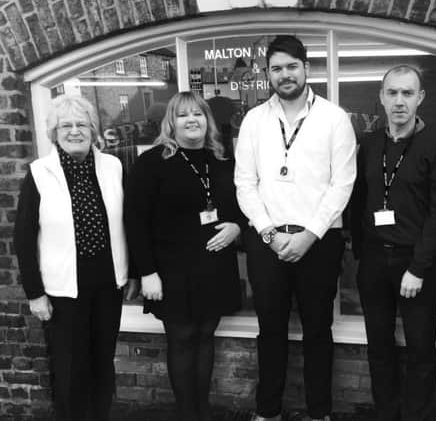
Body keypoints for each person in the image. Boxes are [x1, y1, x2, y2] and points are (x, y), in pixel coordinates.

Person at [234, 35, 356, 421]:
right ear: (267, 74)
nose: (284, 75)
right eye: (276, 68)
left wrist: (309, 235)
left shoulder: (334, 118)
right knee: (270, 330)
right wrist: (269, 233)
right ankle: (267, 412)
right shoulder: (254, 120)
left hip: (318, 241)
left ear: (307, 68)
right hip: (267, 241)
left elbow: (343, 184)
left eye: (291, 66)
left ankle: (319, 412)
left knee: (318, 330)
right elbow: (244, 183)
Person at [14, 94, 138, 421]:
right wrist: (35, 294)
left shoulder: (113, 167)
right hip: (63, 290)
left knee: (101, 363)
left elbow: (128, 222)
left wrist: (133, 273)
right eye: (65, 125)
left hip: (107, 284)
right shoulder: (39, 173)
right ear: (54, 132)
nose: (74, 131)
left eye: (81, 124)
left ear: (93, 129)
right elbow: (24, 238)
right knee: (71, 368)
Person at [125, 91, 244, 421]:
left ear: (208, 121)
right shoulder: (153, 162)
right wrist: (146, 271)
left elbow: (243, 206)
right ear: (171, 123)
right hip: (171, 269)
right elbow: (135, 220)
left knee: (206, 336)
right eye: (183, 115)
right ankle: (187, 413)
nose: (192, 120)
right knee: (181, 338)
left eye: (199, 114)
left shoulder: (222, 160)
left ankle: (202, 410)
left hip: (214, 266)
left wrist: (237, 227)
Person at [352, 65, 436, 421]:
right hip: (374, 262)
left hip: (417, 264)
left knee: (420, 350)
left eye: (407, 93)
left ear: (420, 98)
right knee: (378, 347)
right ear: (381, 97)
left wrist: (418, 267)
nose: (399, 101)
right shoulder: (368, 144)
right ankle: (386, 413)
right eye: (392, 93)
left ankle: (417, 415)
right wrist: (360, 252)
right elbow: (358, 200)